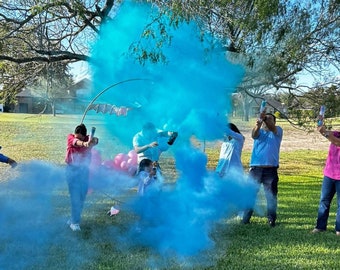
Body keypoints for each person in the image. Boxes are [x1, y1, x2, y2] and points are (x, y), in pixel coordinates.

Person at [242, 112, 283, 227]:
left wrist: (264, 118)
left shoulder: (277, 131)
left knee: (271, 196)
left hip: (271, 170)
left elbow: (271, 127)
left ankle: (271, 220)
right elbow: (253, 134)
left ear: (274, 122)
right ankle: (246, 218)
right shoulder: (259, 132)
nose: (266, 121)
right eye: (265, 119)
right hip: (255, 169)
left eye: (270, 119)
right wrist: (258, 123)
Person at [65, 123, 99, 231]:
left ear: (85, 136)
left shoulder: (88, 138)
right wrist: (84, 144)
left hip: (84, 172)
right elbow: (76, 142)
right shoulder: (71, 138)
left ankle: (73, 219)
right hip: (72, 171)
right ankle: (75, 222)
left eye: (81, 137)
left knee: (81, 197)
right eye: (76, 136)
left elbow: (96, 140)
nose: (77, 138)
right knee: (75, 196)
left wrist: (92, 141)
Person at [311, 125, 340, 236]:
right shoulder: (336, 133)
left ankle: (339, 229)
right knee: (324, 201)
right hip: (329, 174)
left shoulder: (335, 137)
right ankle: (320, 227)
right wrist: (320, 126)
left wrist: (325, 133)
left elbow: (337, 142)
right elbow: (326, 133)